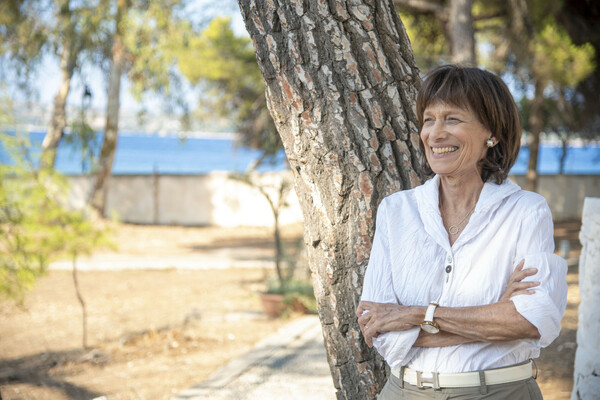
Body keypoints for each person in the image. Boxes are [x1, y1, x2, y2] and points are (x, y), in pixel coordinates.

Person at [356, 65, 568, 399]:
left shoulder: (527, 210)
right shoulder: (395, 211)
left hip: (499, 392)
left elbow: (532, 322)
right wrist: (493, 316)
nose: (435, 134)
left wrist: (415, 316)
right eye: (429, 119)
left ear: (492, 133)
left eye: (452, 119)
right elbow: (378, 329)